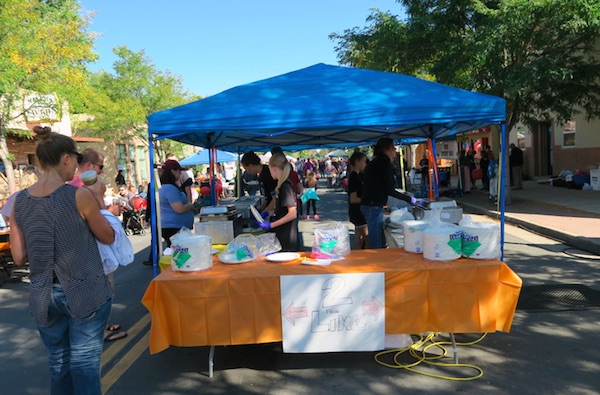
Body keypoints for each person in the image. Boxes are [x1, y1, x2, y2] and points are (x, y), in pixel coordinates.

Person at [9, 126, 114, 395]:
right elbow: (108, 237)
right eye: (76, 161)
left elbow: (19, 256)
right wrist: (99, 199)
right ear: (66, 158)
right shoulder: (79, 195)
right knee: (84, 365)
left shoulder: (19, 202)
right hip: (84, 291)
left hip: (44, 295)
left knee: (59, 362)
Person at [361, 138, 417, 249]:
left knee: (378, 239)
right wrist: (409, 199)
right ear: (386, 150)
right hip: (373, 206)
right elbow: (389, 189)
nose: (395, 151)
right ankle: (376, 265)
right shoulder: (383, 163)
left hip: (370, 204)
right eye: (393, 148)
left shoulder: (375, 162)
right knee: (376, 242)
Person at [257, 152, 299, 251]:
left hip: (287, 236)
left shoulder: (285, 186)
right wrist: (268, 213)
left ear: (274, 168)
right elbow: (282, 210)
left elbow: (292, 213)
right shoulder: (281, 185)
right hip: (282, 234)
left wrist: (271, 225)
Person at [159, 160, 195, 247]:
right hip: (174, 229)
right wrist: (190, 206)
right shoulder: (169, 189)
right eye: (179, 171)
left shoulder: (167, 187)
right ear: (172, 171)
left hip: (174, 227)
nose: (180, 173)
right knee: (179, 255)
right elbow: (179, 209)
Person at [241, 151, 277, 215]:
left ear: (251, 165)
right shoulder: (261, 175)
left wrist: (263, 214)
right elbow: (267, 198)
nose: (247, 172)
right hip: (270, 208)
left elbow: (275, 199)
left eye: (246, 169)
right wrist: (259, 211)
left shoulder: (268, 173)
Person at [347, 151, 368, 249]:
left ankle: (357, 258)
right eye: (363, 161)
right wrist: (367, 200)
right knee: (367, 238)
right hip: (358, 212)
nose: (365, 164)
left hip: (357, 212)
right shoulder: (354, 177)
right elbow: (353, 199)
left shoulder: (357, 176)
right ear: (357, 161)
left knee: (359, 239)